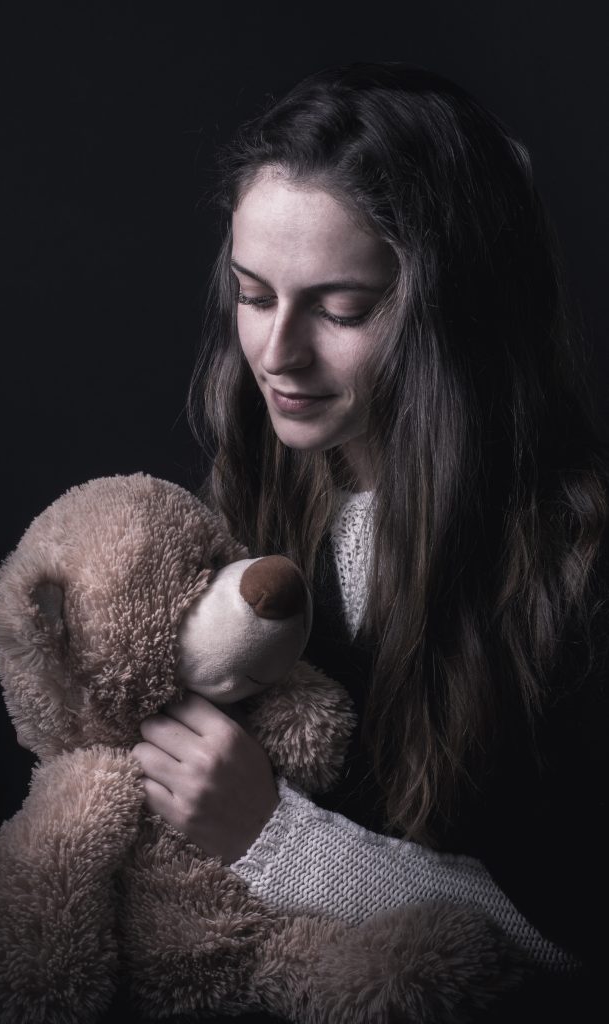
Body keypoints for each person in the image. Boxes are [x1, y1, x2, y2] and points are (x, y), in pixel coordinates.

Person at [132, 62, 609, 1019]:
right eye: (253, 294)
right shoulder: (251, 489)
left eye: (341, 309)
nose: (277, 352)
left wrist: (272, 838)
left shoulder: (576, 570)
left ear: (451, 316)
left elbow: (576, 954)